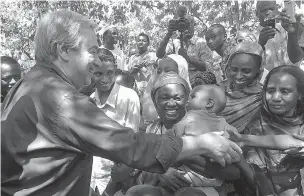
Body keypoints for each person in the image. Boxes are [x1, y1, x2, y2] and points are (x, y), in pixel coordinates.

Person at [1, 10, 242, 196]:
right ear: (64, 50)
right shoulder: (60, 99)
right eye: (93, 51)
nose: (97, 61)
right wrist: (201, 142)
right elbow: (130, 145)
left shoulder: (26, 86)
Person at [143, 72, 241, 196]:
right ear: (154, 100)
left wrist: (185, 151)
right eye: (164, 98)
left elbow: (233, 172)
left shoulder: (202, 124)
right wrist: (162, 173)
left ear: (187, 100)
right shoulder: (152, 129)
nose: (171, 103)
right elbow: (143, 165)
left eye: (178, 98)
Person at [234, 65, 304, 196]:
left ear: (299, 94)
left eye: (285, 91)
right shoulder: (255, 126)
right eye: (270, 90)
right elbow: (253, 177)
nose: (276, 97)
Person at [89, 48, 141, 194]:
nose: (105, 79)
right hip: (91, 176)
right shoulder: (89, 100)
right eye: (98, 74)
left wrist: (114, 184)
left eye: (110, 73)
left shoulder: (128, 97)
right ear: (90, 73)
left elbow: (131, 141)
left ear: (115, 71)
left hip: (116, 178)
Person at [156, 6, 214, 87]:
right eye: (181, 24)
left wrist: (188, 58)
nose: (186, 26)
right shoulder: (175, 42)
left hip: (197, 86)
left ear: (194, 25)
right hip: (179, 87)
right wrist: (168, 34)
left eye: (188, 24)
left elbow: (208, 68)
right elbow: (159, 55)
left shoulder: (201, 43)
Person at [219, 41, 265, 133]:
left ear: (258, 71)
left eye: (246, 71)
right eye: (234, 69)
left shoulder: (263, 97)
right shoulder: (217, 89)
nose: (239, 76)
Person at [141, 54, 191, 128]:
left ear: (181, 72)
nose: (161, 75)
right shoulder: (153, 97)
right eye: (159, 72)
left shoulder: (191, 106)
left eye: (168, 71)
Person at [253, 0, 304, 70]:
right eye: (264, 10)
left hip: (292, 78)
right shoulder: (251, 37)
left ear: (276, 10)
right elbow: (250, 64)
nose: (268, 13)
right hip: (268, 80)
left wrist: (292, 34)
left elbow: (297, 58)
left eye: (272, 9)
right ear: (257, 13)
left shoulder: (286, 28)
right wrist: (260, 44)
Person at [127, 33, 157, 97]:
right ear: (136, 43)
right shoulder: (132, 58)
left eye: (144, 41)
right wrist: (134, 70)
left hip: (151, 90)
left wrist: (153, 62)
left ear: (148, 43)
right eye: (139, 41)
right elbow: (128, 74)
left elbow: (161, 69)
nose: (141, 42)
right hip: (136, 91)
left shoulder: (154, 56)